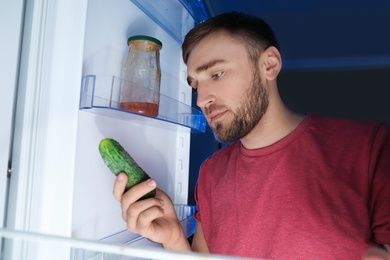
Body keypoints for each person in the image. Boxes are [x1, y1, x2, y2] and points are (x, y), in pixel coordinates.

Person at [113, 12, 390, 259]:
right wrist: (173, 237)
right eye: (196, 84)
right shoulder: (211, 173)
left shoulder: (371, 148)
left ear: (269, 64)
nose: (202, 99)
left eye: (217, 74)